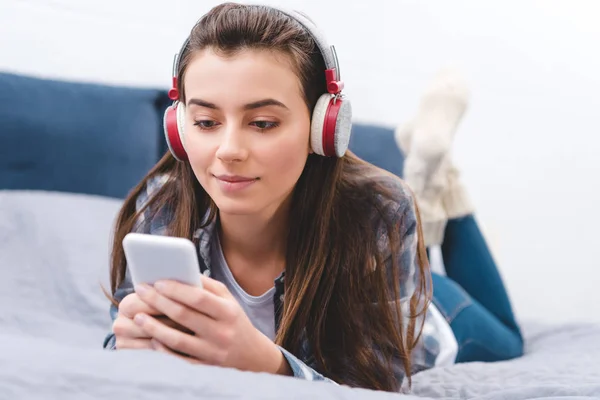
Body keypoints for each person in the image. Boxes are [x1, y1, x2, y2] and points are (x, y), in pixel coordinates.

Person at [102, 2, 522, 393]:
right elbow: (119, 336)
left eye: (263, 123)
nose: (228, 150)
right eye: (206, 121)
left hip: (420, 308)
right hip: (390, 267)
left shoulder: (381, 212)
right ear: (178, 128)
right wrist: (128, 345)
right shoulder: (161, 208)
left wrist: (270, 365)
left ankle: (446, 187)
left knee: (509, 339)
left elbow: (384, 380)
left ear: (323, 129)